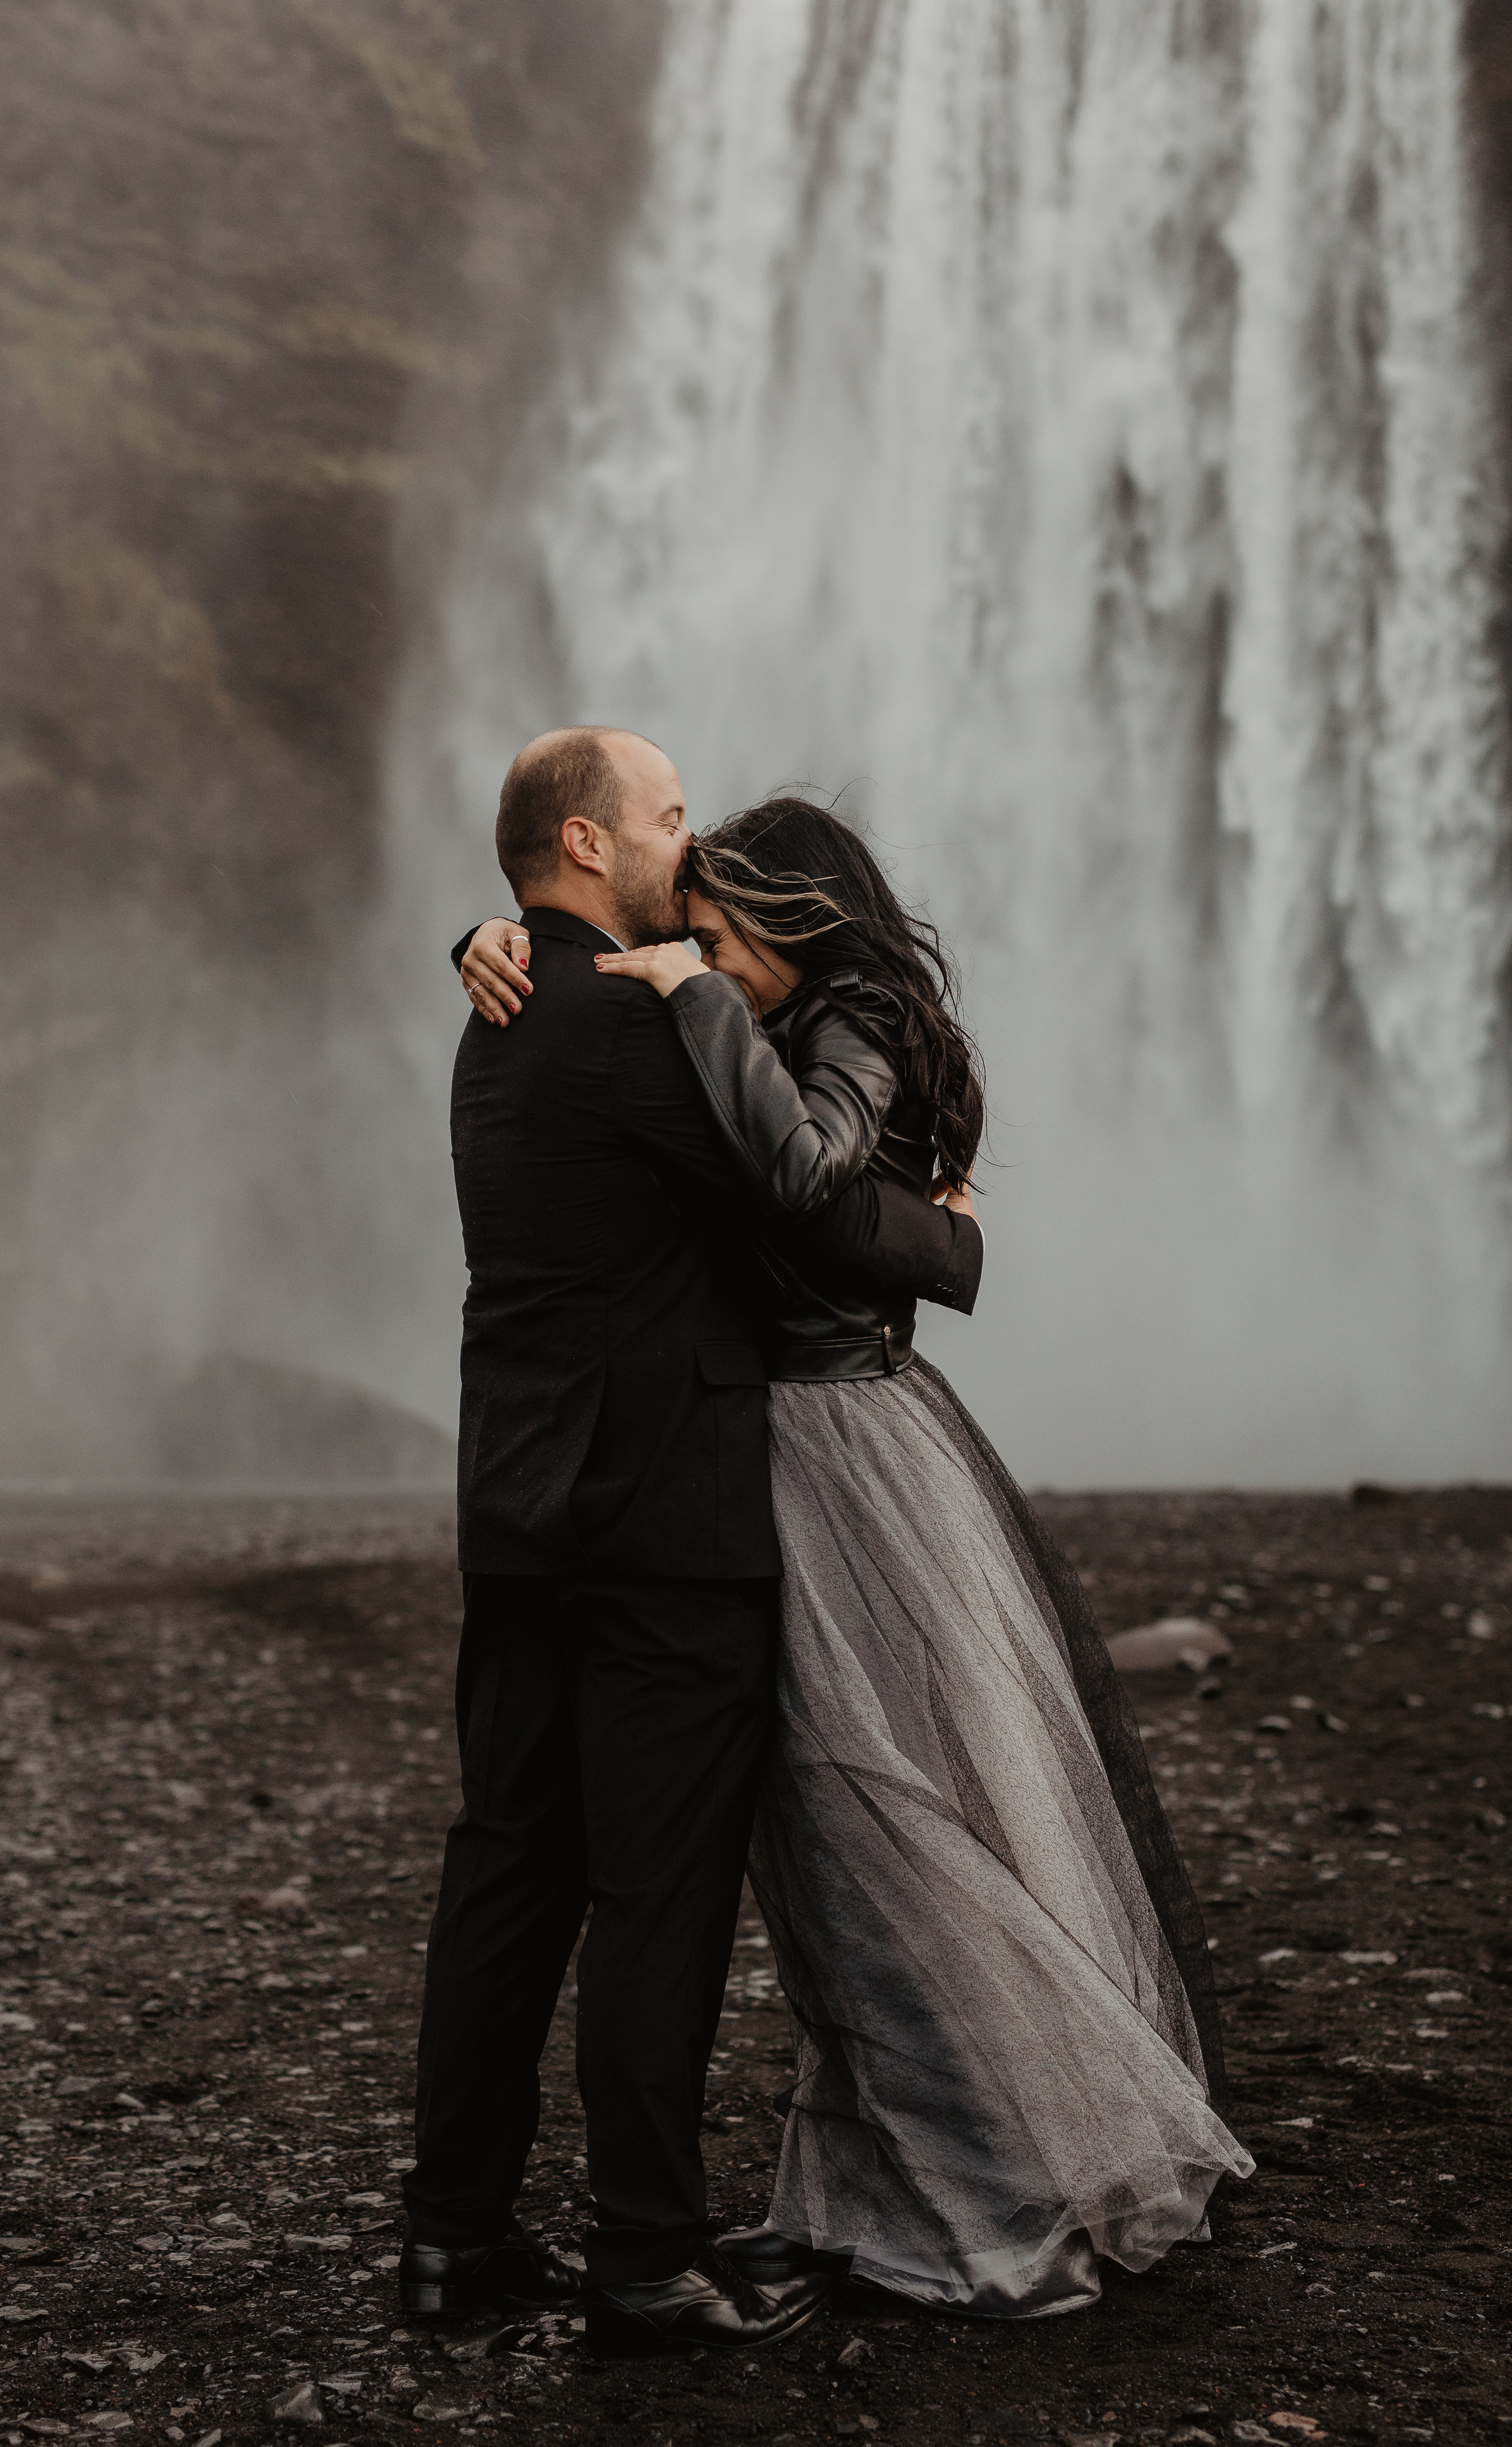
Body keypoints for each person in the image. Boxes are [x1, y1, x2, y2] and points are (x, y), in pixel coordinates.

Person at [457, 794, 1254, 2318]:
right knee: (843, 1828)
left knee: (879, 1804)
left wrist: (693, 996)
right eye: (684, 928)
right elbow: (817, 1194)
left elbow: (811, 1184)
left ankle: (1014, 2164)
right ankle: (896, 2173)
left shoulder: (848, 1017)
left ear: (784, 916)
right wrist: (488, 941)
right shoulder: (782, 1010)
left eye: (707, 929)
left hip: (833, 1457)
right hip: (793, 1447)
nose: (684, 947)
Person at [403, 732, 984, 2358]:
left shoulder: (491, 1022)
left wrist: (468, 933)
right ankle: (647, 2258)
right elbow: (801, 1201)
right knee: (655, 1896)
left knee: (506, 1870)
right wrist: (948, 1237)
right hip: (665, 1520)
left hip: (514, 1514)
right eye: (664, 818)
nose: (689, 841)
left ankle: (452, 2240)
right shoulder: (647, 1020)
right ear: (586, 844)